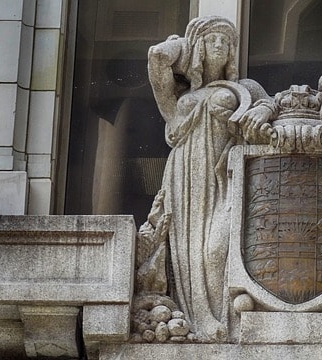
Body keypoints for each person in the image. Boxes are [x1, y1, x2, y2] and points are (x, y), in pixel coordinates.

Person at [141, 15, 268, 341]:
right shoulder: (177, 102)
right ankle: (200, 316)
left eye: (228, 43)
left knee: (217, 247)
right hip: (187, 176)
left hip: (226, 176)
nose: (222, 48)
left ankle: (223, 313)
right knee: (189, 249)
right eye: (214, 40)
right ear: (198, 47)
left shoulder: (244, 89)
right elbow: (157, 57)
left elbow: (269, 107)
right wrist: (183, 45)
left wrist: (259, 113)